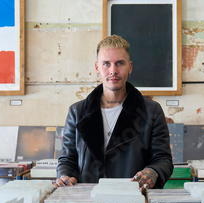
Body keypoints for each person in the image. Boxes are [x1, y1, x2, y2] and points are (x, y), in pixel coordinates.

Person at [55, 35, 173, 190]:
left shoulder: (152, 111)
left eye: (119, 63)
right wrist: (64, 176)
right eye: (106, 64)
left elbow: (162, 159)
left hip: (134, 200)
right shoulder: (77, 112)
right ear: (97, 68)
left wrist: (153, 172)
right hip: (88, 202)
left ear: (130, 67)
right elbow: (67, 159)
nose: (113, 71)